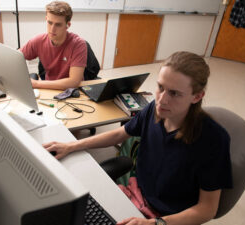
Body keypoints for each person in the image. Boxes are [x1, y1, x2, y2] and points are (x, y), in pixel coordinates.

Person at [43, 51, 233, 225]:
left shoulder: (213, 140)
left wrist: (155, 223)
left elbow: (207, 209)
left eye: (174, 93)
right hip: (136, 196)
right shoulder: (154, 109)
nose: (162, 99)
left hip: (168, 218)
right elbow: (120, 133)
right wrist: (72, 145)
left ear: (197, 96)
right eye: (160, 87)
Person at [20, 1, 87, 90]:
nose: (52, 29)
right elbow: (15, 57)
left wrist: (36, 83)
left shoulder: (78, 44)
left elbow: (74, 82)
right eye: (50, 22)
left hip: (71, 92)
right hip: (49, 89)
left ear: (68, 25)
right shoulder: (39, 41)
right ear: (46, 19)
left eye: (58, 25)